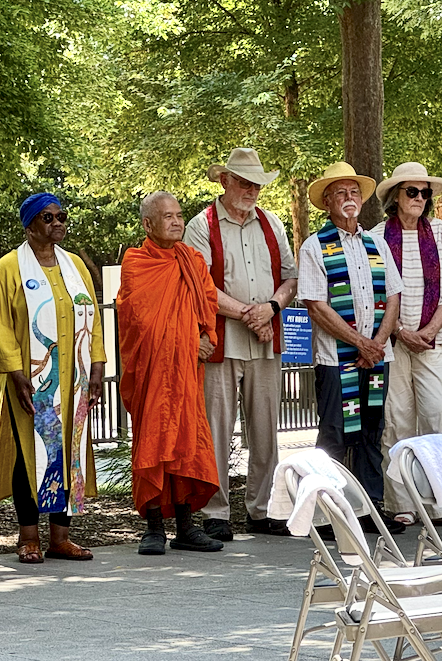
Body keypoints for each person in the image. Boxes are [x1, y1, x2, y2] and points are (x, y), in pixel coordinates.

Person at [183, 148, 298, 540]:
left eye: (257, 185)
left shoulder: (272, 223)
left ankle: (263, 510)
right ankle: (215, 512)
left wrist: (271, 308)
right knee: (216, 428)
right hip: (221, 340)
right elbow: (201, 287)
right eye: (244, 182)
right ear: (224, 181)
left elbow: (291, 278)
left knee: (266, 428)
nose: (251, 191)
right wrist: (253, 315)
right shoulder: (201, 225)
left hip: (265, 340)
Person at [0, 193, 104, 563]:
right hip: (33, 380)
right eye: (47, 218)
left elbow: (93, 317)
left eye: (61, 216)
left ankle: (60, 537)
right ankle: (28, 537)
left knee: (69, 453)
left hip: (75, 378)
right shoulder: (9, 268)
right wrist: (16, 372)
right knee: (30, 453)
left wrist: (97, 364)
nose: (57, 224)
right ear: (30, 226)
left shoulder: (75, 266)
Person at [297, 161, 405, 534]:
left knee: (372, 430)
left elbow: (394, 296)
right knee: (335, 435)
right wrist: (361, 343)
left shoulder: (377, 243)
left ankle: (369, 509)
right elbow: (316, 306)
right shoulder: (315, 246)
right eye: (340, 192)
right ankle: (330, 513)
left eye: (354, 192)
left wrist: (377, 345)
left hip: (376, 358)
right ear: (327, 202)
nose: (349, 198)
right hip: (336, 360)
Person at [118, 191, 224, 556]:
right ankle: (153, 528)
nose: (177, 221)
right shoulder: (136, 263)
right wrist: (190, 342)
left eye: (179, 215)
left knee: (186, 444)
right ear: (148, 224)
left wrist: (206, 338)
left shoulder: (192, 260)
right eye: (168, 216)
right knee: (153, 441)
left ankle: (185, 526)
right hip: (154, 372)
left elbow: (207, 305)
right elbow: (141, 323)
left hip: (185, 374)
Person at [369, 163, 442, 527]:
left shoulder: (440, 231)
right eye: (412, 191)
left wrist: (428, 330)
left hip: (432, 340)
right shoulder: (377, 236)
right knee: (397, 420)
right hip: (393, 342)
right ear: (395, 196)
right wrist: (399, 332)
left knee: (437, 415)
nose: (420, 198)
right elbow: (375, 293)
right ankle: (401, 502)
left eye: (425, 193)